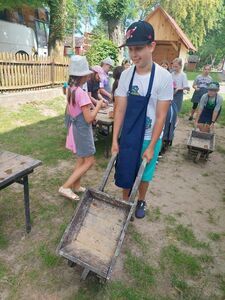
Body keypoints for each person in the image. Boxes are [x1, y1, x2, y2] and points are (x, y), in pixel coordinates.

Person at [112, 20, 173, 219]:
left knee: (145, 174)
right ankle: (125, 201)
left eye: (138, 48)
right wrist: (114, 140)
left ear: (151, 46)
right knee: (125, 169)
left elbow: (161, 115)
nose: (133, 54)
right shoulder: (126, 76)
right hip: (129, 133)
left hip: (149, 135)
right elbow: (120, 109)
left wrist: (152, 145)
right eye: (130, 49)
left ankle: (141, 200)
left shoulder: (163, 77)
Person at [59, 55, 104, 201]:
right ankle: (65, 187)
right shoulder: (81, 93)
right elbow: (89, 118)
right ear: (83, 76)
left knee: (80, 159)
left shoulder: (70, 89)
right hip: (83, 131)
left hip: (76, 130)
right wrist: (97, 106)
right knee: (89, 161)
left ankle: (76, 186)